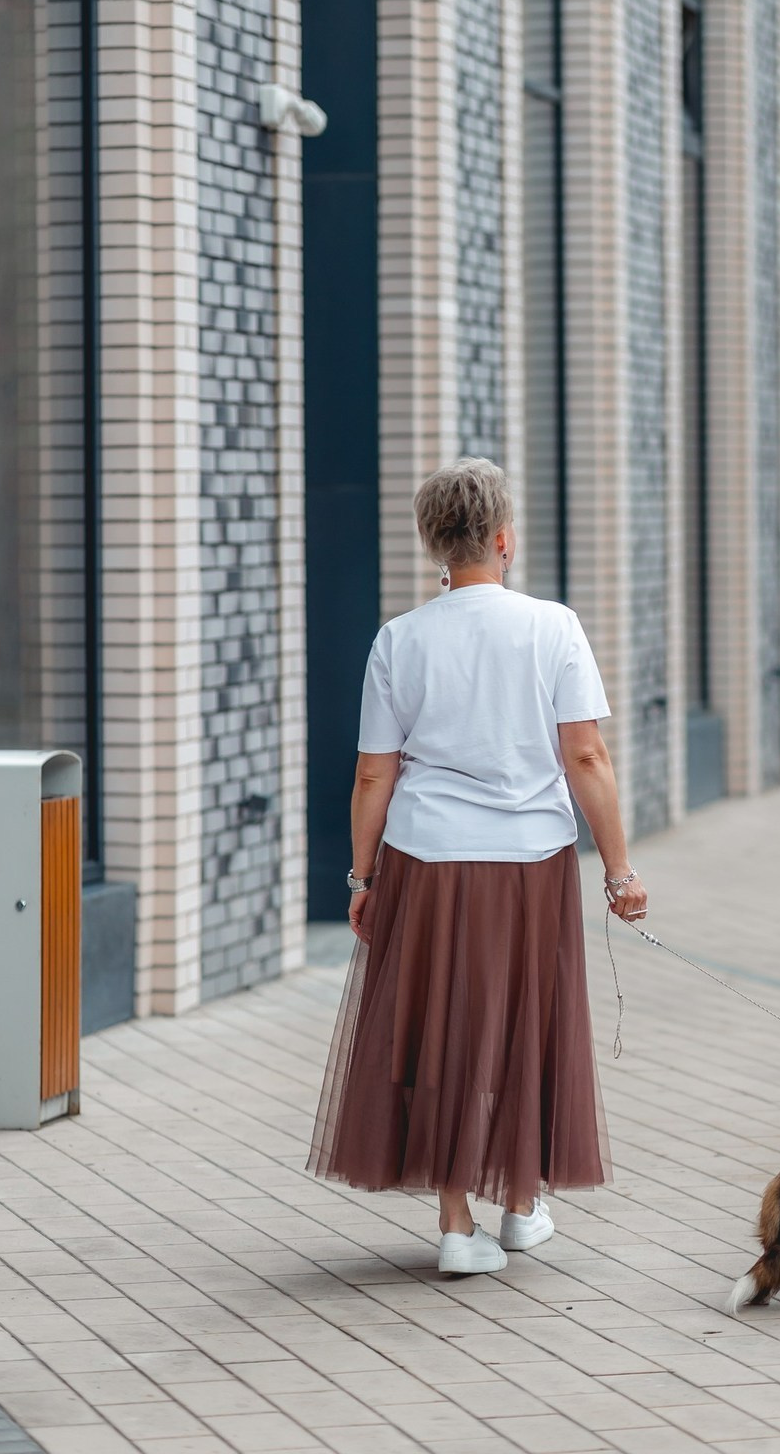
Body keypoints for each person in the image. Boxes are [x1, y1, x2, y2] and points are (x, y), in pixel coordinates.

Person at [307, 456, 648, 1274]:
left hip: (425, 861)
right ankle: (521, 1209)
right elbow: (588, 756)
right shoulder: (552, 627)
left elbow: (372, 773)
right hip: (530, 862)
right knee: (527, 1029)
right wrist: (620, 872)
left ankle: (456, 1225)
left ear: (436, 544)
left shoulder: (400, 639)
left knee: (439, 1033)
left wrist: (363, 878)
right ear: (504, 539)